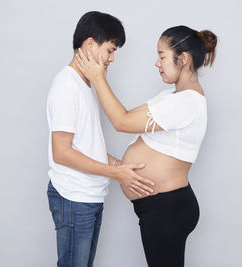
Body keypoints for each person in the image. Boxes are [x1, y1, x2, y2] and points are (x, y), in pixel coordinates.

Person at [75, 25, 217, 267]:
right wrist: (119, 167)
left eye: (162, 56)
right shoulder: (171, 97)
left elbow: (121, 122)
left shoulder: (187, 102)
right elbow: (128, 117)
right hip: (161, 207)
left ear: (182, 59)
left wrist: (97, 77)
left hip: (166, 209)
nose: (157, 63)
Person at [46, 11, 154, 267]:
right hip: (74, 197)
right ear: (89, 44)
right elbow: (61, 152)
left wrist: (119, 166)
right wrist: (114, 173)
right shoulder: (66, 86)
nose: (112, 59)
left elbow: (85, 146)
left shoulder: (86, 85)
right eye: (110, 50)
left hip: (89, 197)